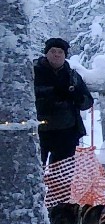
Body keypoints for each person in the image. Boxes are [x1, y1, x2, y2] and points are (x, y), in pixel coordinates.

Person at [32, 37, 93, 168]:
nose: (57, 55)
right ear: (46, 53)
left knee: (62, 178)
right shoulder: (33, 73)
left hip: (66, 133)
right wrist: (49, 96)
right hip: (38, 132)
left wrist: (76, 96)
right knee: (34, 172)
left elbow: (87, 103)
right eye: (53, 51)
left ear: (65, 55)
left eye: (61, 52)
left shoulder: (72, 76)